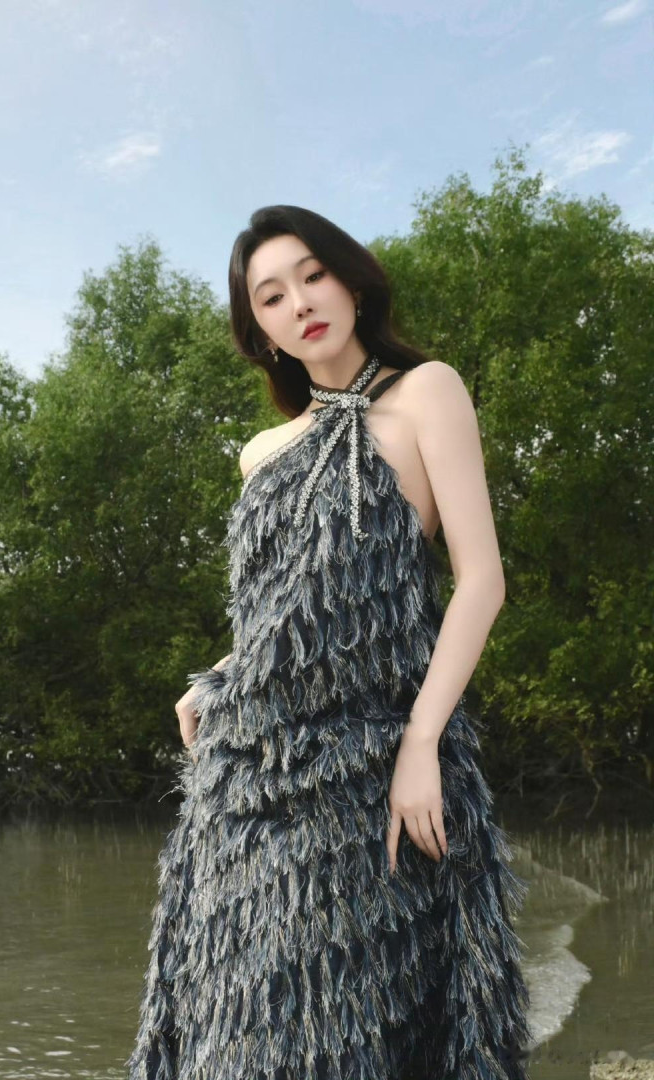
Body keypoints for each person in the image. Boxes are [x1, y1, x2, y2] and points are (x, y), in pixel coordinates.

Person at [126, 205, 533, 1079]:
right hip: (243, 778)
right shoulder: (261, 451)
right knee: (234, 1027)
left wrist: (421, 743)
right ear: (258, 331)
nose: (300, 303)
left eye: (312, 276)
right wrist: (215, 675)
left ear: (351, 280)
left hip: (369, 761)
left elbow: (482, 581)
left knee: (345, 1029)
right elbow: (286, 612)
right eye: (271, 296)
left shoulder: (428, 391)